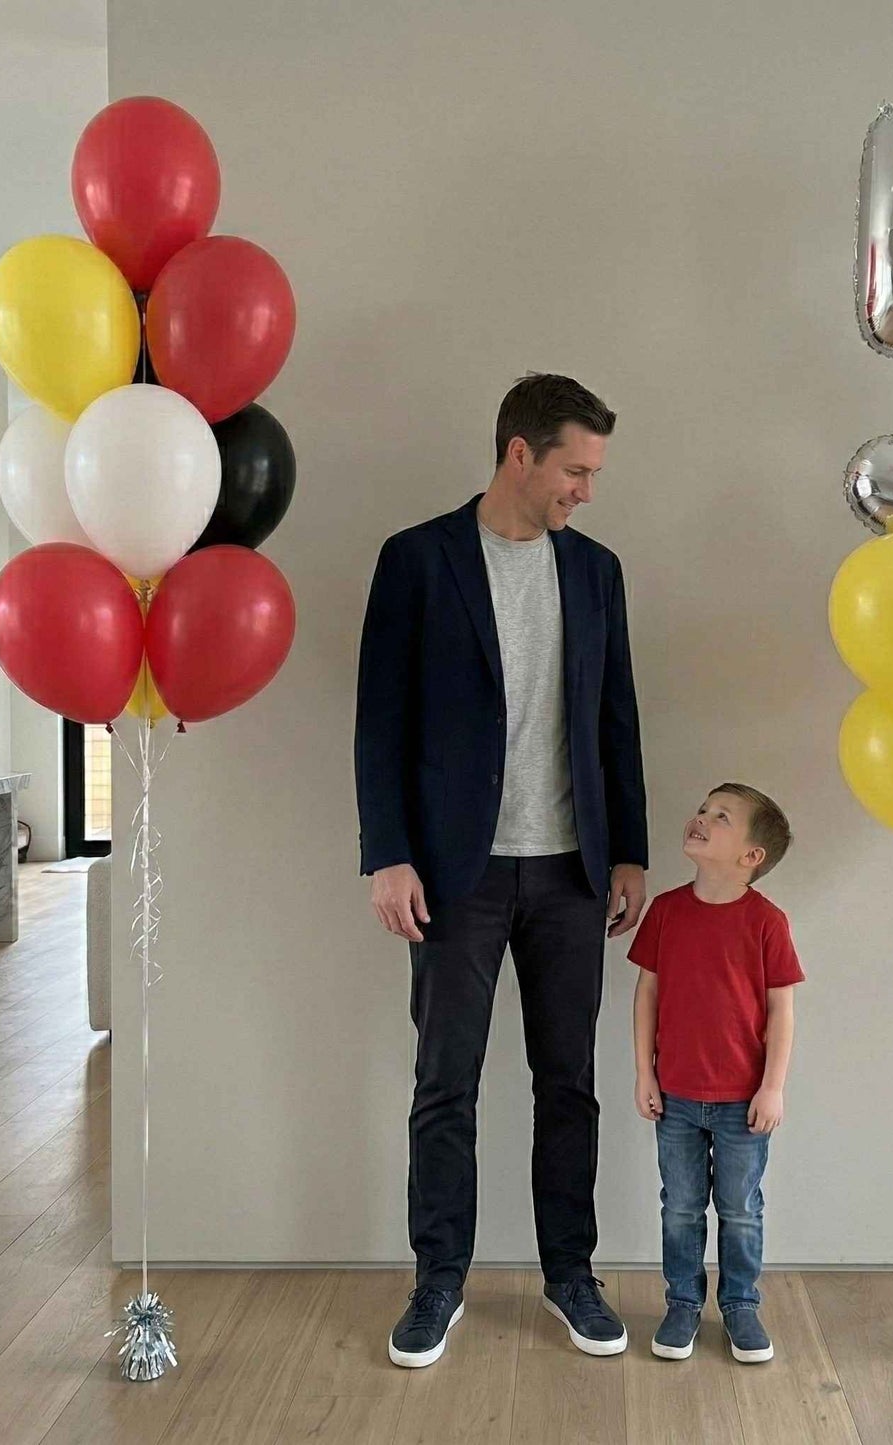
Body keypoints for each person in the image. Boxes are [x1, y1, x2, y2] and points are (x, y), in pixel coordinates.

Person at [355, 373, 648, 1368]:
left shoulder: (596, 571)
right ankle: (438, 1280)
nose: (585, 488)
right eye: (575, 467)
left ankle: (571, 1272)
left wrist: (631, 851)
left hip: (571, 871)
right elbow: (378, 720)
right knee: (446, 1083)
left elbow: (616, 716)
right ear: (518, 452)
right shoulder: (416, 560)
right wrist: (386, 852)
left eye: (593, 471)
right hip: (452, 872)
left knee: (567, 1082)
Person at [628, 783, 802, 1363]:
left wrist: (773, 1086)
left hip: (743, 1102)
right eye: (703, 809)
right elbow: (646, 994)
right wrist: (643, 1074)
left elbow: (781, 1012)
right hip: (675, 1095)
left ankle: (740, 1304)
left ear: (751, 856)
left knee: (740, 1208)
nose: (700, 818)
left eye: (721, 817)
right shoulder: (667, 912)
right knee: (679, 1206)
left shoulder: (767, 923)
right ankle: (682, 1303)